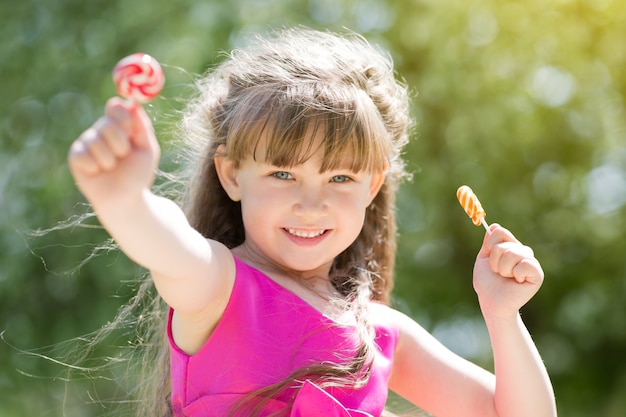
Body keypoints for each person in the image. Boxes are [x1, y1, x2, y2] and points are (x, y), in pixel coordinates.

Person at [67, 27, 557, 417]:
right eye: (283, 172)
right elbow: (166, 245)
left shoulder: (383, 333)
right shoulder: (220, 288)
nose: (311, 203)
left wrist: (501, 314)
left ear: (372, 185)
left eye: (340, 177)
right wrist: (124, 198)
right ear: (232, 173)